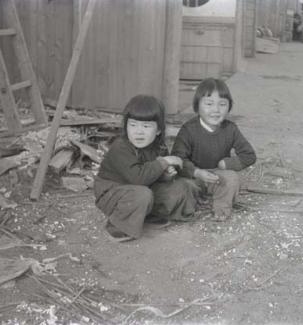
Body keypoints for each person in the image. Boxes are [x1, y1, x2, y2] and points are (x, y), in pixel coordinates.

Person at [94, 95, 198, 242]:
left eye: (146, 126)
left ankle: (147, 215)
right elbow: (138, 177)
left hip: (141, 190)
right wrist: (164, 162)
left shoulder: (159, 147)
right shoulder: (120, 147)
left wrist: (166, 175)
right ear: (126, 126)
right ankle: (117, 225)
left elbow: (154, 174)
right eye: (133, 125)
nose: (139, 132)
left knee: (181, 186)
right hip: (112, 193)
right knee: (142, 194)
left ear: (158, 131)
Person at [171, 78, 257, 221]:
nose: (216, 110)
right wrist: (196, 172)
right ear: (197, 107)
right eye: (209, 104)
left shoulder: (230, 129)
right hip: (192, 177)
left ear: (229, 107)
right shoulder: (189, 129)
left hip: (216, 177)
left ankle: (221, 210)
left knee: (232, 179)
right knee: (180, 188)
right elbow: (178, 159)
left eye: (222, 104)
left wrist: (226, 164)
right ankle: (197, 204)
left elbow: (249, 155)